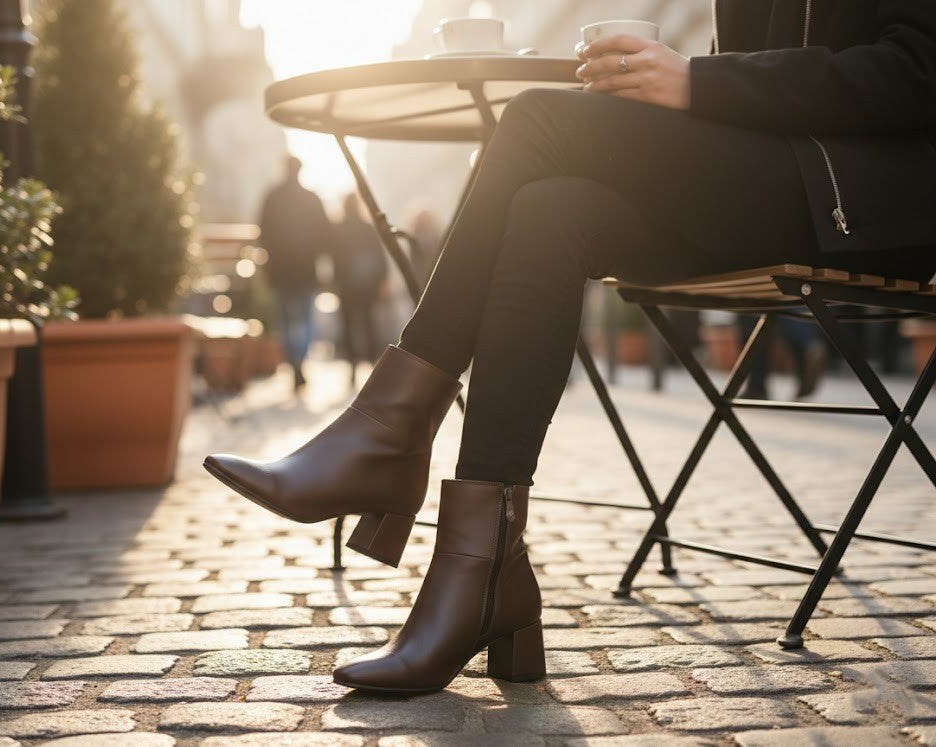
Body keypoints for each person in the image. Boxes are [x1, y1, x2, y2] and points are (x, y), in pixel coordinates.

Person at [207, 2, 936, 694]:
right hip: (765, 180)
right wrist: (664, 94)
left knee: (537, 119)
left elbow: (918, 70)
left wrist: (695, 81)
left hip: (865, 192)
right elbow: (749, 66)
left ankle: (389, 435)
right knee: (548, 210)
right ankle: (484, 566)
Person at [258, 155, 331, 391]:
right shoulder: (311, 198)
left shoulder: (272, 197)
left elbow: (263, 232)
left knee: (285, 320)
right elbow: (325, 234)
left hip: (280, 270)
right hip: (305, 269)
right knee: (306, 319)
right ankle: (300, 359)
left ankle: (293, 362)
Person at [330, 192, 389, 384]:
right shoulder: (367, 228)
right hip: (367, 285)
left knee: (348, 325)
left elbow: (334, 258)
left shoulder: (338, 229)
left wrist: (334, 282)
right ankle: (373, 363)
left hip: (346, 285)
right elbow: (379, 256)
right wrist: (382, 279)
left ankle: (352, 365)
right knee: (369, 323)